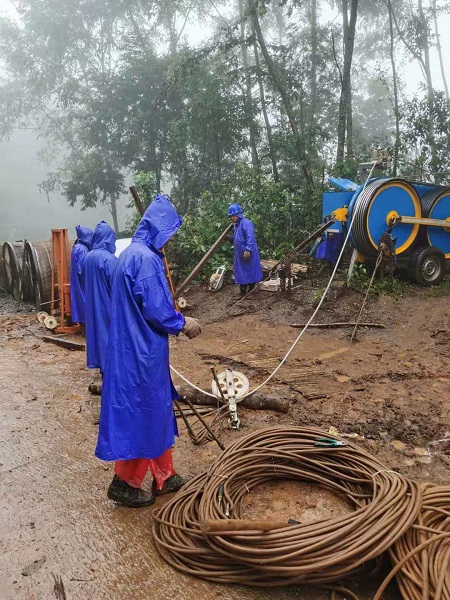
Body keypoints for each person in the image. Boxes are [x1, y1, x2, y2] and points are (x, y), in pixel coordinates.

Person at [96, 194, 202, 508]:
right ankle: (124, 483)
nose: (170, 240)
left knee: (154, 410)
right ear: (158, 229)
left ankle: (165, 475)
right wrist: (183, 323)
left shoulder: (130, 254)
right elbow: (156, 309)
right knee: (143, 413)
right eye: (169, 232)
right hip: (140, 353)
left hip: (134, 349)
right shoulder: (144, 259)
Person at [83, 221, 117, 374]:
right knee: (109, 335)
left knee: (95, 333)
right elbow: (117, 285)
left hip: (91, 303)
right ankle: (110, 370)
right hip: (107, 304)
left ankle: (103, 368)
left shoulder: (88, 257)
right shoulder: (109, 259)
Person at [228, 203, 263, 296]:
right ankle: (243, 291)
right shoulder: (236, 226)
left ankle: (251, 289)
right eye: (230, 216)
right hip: (239, 255)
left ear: (238, 214)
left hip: (248, 253)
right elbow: (237, 238)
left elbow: (250, 237)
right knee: (241, 273)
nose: (232, 218)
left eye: (233, 215)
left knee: (251, 271)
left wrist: (248, 250)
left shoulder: (246, 223)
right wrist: (229, 238)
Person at [70, 225, 93, 328]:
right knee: (85, 305)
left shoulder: (77, 247)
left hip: (77, 282)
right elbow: (82, 268)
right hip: (82, 283)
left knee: (79, 304)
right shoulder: (82, 249)